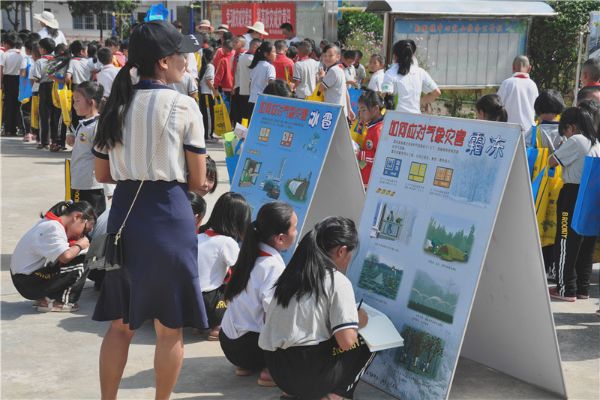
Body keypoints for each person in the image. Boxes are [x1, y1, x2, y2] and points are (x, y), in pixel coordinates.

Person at [91, 21, 207, 399]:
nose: (187, 61)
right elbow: (196, 180)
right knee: (169, 327)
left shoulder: (116, 105)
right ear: (163, 62)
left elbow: (102, 173)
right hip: (169, 218)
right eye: (181, 55)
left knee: (121, 325)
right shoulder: (184, 105)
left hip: (124, 216)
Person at [259, 217, 373, 400]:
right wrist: (358, 321)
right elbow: (347, 342)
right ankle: (335, 395)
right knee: (366, 342)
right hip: (308, 374)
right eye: (351, 252)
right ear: (341, 251)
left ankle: (292, 393)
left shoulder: (290, 274)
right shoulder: (337, 281)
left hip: (277, 369)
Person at [220, 202, 297, 385]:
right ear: (280, 238)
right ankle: (270, 371)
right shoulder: (273, 266)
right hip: (247, 348)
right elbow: (276, 314)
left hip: (228, 342)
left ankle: (246, 366)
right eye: (294, 228)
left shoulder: (250, 253)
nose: (296, 233)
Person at [548, 104, 600, 302]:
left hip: (572, 193)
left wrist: (562, 146)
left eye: (565, 130)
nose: (565, 134)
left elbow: (552, 161)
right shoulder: (596, 143)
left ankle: (565, 288)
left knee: (565, 239)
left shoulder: (576, 140)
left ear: (571, 126)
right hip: (592, 195)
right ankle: (582, 288)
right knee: (586, 243)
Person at [10, 200, 96, 312]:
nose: (82, 235)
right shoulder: (53, 228)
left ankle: (45, 298)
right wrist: (80, 244)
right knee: (85, 258)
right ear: (77, 217)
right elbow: (66, 256)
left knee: (73, 254)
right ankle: (60, 302)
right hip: (27, 283)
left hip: (25, 278)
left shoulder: (50, 223)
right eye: (85, 230)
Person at [197, 192, 251, 340]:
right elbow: (242, 271)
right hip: (209, 305)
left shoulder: (199, 235)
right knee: (242, 286)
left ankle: (201, 324)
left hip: (185, 299)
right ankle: (218, 326)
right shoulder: (227, 242)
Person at [66, 81, 106, 217]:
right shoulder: (84, 124)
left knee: (88, 222)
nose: (74, 104)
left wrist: (110, 189)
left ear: (91, 102)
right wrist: (74, 139)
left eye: (77, 100)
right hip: (80, 182)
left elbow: (103, 156)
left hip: (90, 186)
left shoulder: (96, 127)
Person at [382, 39, 441, 114]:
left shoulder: (390, 73)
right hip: (415, 119)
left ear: (395, 56)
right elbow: (437, 92)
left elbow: (386, 96)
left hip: (396, 119)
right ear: (412, 55)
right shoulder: (421, 72)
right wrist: (420, 102)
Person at [497, 55, 539, 134]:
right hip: (528, 131)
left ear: (513, 67)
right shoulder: (533, 85)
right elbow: (537, 108)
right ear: (529, 68)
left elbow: (497, 105)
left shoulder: (507, 83)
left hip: (508, 130)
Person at [31, 37, 58, 150]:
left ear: (42, 49)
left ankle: (44, 141)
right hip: (56, 87)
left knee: (44, 115)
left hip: (44, 87)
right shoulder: (57, 60)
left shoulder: (39, 62)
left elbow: (36, 78)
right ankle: (55, 140)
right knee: (55, 114)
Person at [356, 90, 385, 188]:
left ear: (375, 109)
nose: (360, 114)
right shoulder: (371, 126)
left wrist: (359, 154)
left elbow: (380, 158)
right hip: (366, 177)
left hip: (371, 182)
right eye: (359, 110)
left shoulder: (379, 129)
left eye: (363, 110)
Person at [320, 44, 355, 120]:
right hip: (341, 110)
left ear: (338, 57)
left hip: (332, 112)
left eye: (330, 55)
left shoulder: (333, 70)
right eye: (325, 55)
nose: (327, 58)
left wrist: (322, 76)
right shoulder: (340, 69)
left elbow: (320, 89)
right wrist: (349, 109)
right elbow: (345, 92)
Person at [1, 31, 24, 136]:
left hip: (7, 79)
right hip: (19, 79)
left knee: (8, 105)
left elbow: (1, 69)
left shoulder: (5, 54)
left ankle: (9, 129)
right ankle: (18, 127)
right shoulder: (21, 54)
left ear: (6, 43)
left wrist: (0, 82)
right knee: (18, 104)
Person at [232, 38, 261, 124]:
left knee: (242, 115)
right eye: (259, 49)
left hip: (242, 89)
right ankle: (243, 134)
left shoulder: (242, 56)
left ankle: (241, 133)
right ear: (255, 47)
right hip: (248, 91)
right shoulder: (250, 59)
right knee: (246, 115)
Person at [248, 41, 276, 114]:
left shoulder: (255, 65)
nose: (276, 54)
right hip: (263, 101)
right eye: (274, 52)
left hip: (252, 99)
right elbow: (271, 83)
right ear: (266, 54)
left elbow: (250, 83)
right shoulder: (269, 67)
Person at [198, 47, 216, 141]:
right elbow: (209, 81)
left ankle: (207, 134)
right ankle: (208, 135)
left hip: (202, 93)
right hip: (206, 93)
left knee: (205, 114)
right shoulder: (210, 66)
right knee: (208, 115)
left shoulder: (202, 66)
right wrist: (214, 91)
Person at [214, 39, 235, 104]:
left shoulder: (223, 60)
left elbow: (219, 75)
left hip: (225, 88)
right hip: (235, 88)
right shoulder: (235, 58)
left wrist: (215, 86)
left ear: (224, 48)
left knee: (226, 110)